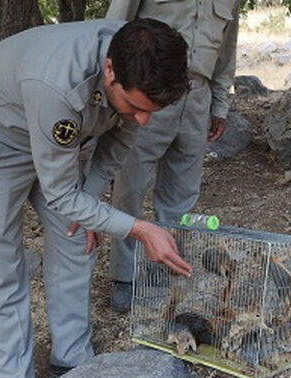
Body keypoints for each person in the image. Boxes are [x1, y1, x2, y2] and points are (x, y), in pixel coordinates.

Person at [0, 18, 193, 378]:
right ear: (109, 70)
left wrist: (92, 207)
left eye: (153, 111)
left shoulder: (144, 62)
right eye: (134, 107)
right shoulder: (59, 85)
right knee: (0, 260)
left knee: (75, 236)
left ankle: (71, 362)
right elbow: (60, 192)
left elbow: (117, 142)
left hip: (56, 143)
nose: (145, 119)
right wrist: (139, 229)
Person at [105, 0, 240, 312]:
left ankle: (166, 269)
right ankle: (125, 276)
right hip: (148, 89)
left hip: (197, 94)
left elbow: (227, 50)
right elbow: (112, 29)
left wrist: (219, 104)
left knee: (183, 190)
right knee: (130, 186)